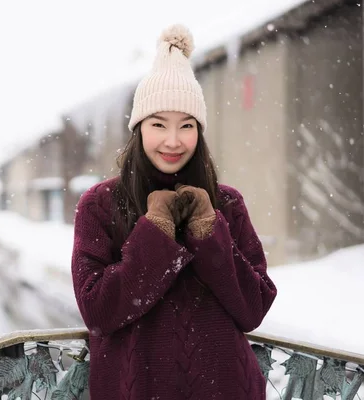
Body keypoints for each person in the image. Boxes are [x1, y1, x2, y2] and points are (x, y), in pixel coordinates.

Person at [71, 23, 278, 399]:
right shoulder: (99, 205)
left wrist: (206, 229)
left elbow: (253, 308)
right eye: (158, 124)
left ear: (199, 132)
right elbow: (98, 312)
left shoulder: (225, 204)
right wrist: (156, 230)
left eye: (186, 125)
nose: (172, 140)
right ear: (139, 129)